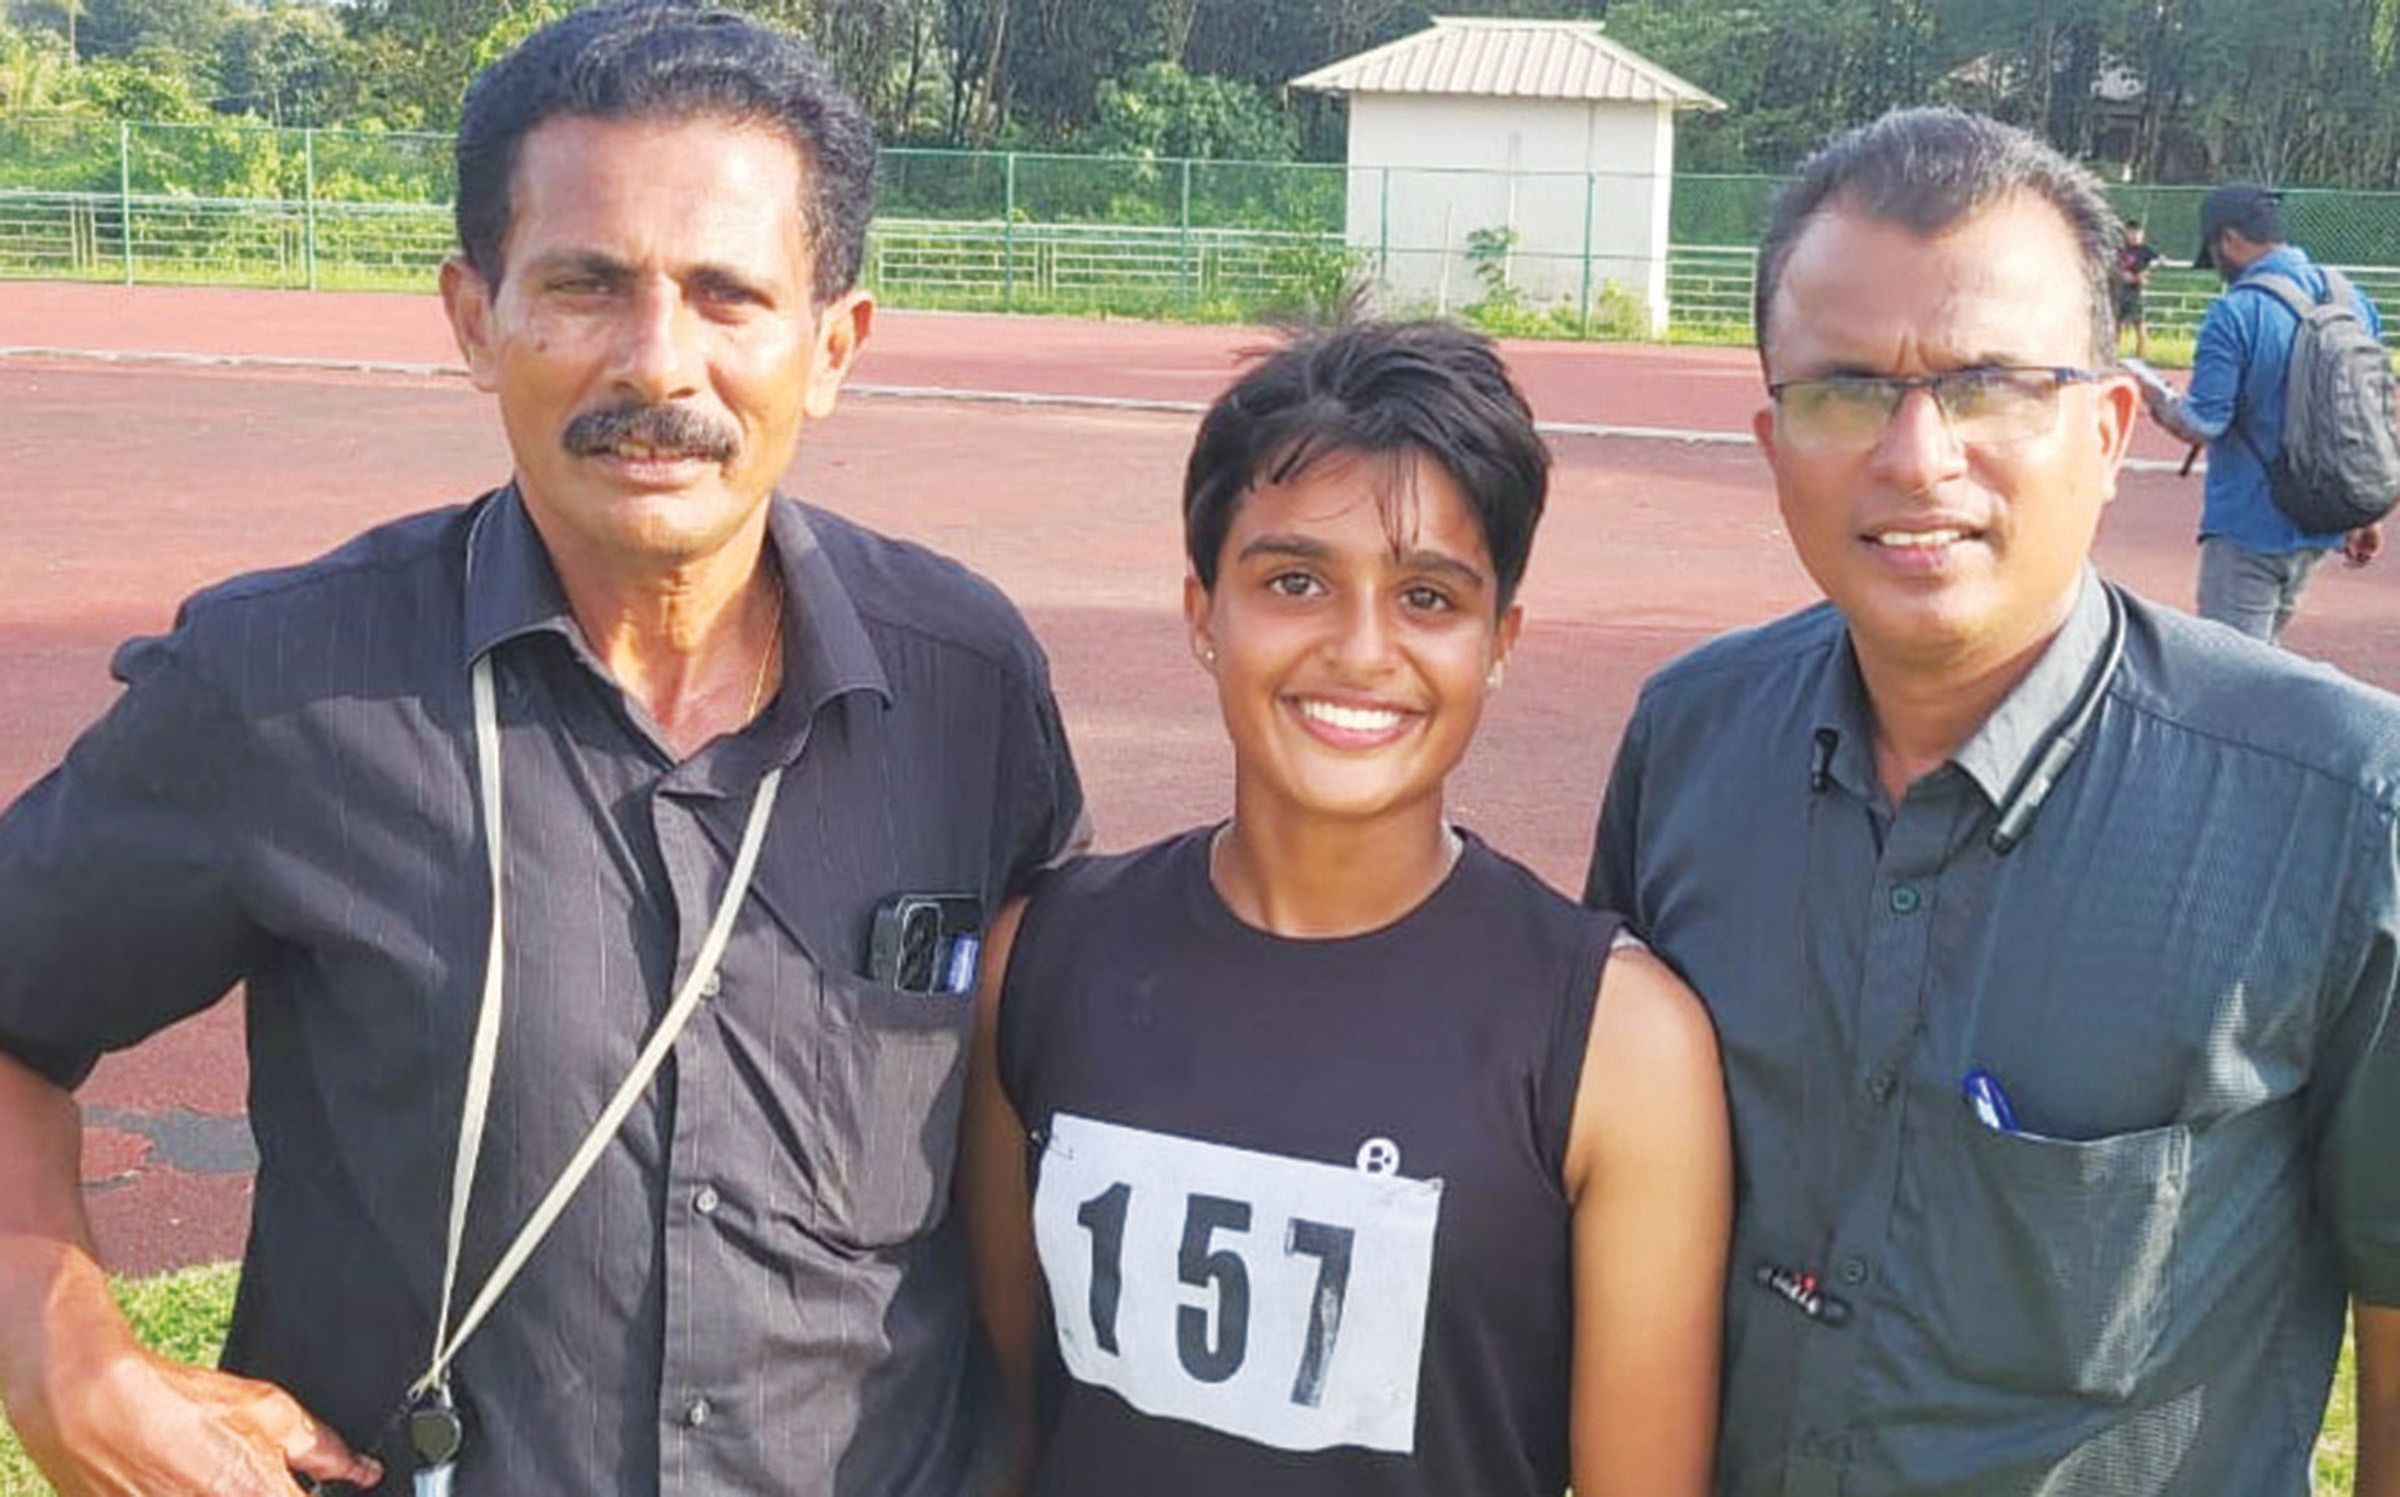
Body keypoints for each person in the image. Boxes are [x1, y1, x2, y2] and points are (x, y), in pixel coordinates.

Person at [0, 4, 1082, 1494]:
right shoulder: (279, 686)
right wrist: (57, 1344)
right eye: (585, 285)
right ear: (473, 314)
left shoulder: (964, 689)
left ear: (834, 346)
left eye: (727, 296)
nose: (657, 365)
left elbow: (1036, 1116)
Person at [1585, 108, 2400, 1496]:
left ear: (2107, 428)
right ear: (1773, 436)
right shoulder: (1691, 738)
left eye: (1988, 385)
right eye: (1846, 387)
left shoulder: (2339, 810)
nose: (1917, 455)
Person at [960, 321, 1731, 1497]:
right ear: (1202, 610)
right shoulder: (1042, 962)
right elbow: (1016, 1427)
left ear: (1499, 644)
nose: (1361, 650)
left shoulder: (1621, 1046)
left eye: (1428, 597)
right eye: (1294, 582)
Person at [2141, 181, 2384, 643]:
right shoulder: (2351, 299)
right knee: (2263, 661)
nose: (2216, 265)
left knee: (2230, 672)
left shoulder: (2235, 312)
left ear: (2229, 239)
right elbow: (2364, 411)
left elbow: (2200, 423)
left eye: (2213, 251)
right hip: (2322, 515)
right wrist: (2363, 512)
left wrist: (2152, 392)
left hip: (2251, 522)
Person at [2112, 218, 2161, 359]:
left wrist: (2146, 271)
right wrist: (2120, 275)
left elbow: (2159, 260)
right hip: (2120, 292)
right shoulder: (2119, 250)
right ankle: (2113, 356)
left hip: (2135, 294)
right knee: (2117, 326)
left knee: (2139, 325)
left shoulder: (2145, 251)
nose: (2134, 236)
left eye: (2137, 233)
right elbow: (2111, 265)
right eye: (2131, 233)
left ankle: (2140, 358)